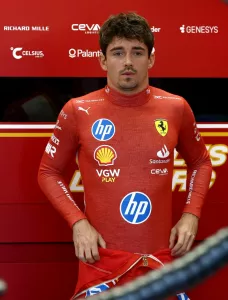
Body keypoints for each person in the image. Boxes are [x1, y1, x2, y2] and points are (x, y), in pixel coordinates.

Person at [37, 12, 212, 299]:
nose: (128, 61)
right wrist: (78, 222)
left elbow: (201, 162)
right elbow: (47, 172)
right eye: (118, 52)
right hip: (100, 263)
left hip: (159, 262)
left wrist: (191, 215)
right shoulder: (77, 110)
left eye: (137, 52)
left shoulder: (176, 107)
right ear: (103, 60)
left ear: (151, 59)